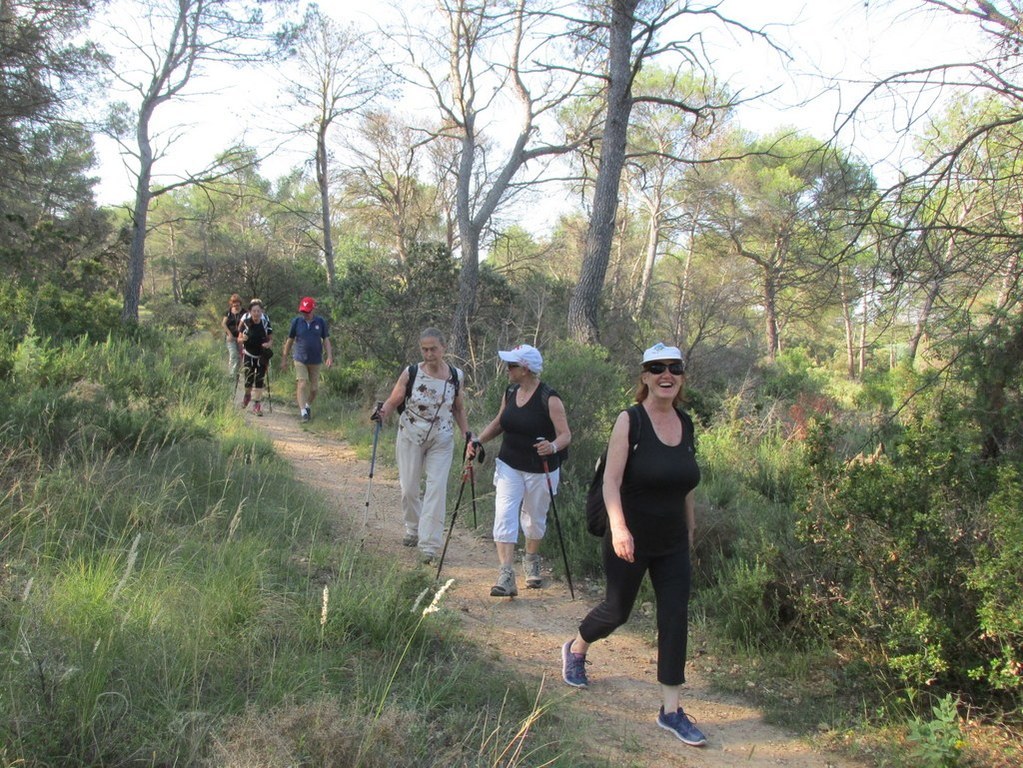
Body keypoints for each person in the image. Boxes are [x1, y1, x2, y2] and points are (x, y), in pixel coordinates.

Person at [560, 343, 706, 748]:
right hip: (629, 536)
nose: (667, 375)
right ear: (644, 377)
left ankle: (671, 711)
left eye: (674, 368)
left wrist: (690, 529)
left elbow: (686, 484)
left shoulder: (687, 423)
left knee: (674, 617)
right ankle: (577, 647)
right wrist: (619, 527)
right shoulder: (631, 421)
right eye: (657, 368)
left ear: (681, 377)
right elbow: (610, 480)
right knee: (617, 610)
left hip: (673, 540)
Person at [468, 344, 571, 597]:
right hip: (509, 464)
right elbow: (500, 422)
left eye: (511, 365)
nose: (507, 369)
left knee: (534, 517)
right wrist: (479, 441)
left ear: (525, 369)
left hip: (540, 469)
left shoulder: (550, 398)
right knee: (504, 513)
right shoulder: (511, 391)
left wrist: (553, 446)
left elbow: (565, 435)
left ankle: (531, 558)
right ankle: (506, 574)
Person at [372, 329, 471, 563]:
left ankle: (429, 545)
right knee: (409, 488)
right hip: (411, 433)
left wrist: (468, 435)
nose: (429, 354)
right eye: (424, 349)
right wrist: (383, 412)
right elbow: (396, 397)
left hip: (442, 437)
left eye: (433, 349)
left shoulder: (456, 376)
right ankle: (413, 528)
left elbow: (458, 408)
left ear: (443, 348)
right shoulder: (412, 372)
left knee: (437, 488)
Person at [281, 296, 333, 423]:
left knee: (314, 389)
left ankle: (307, 405)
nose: (305, 314)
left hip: (315, 360)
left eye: (307, 311)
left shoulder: (320, 322)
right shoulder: (296, 322)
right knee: (302, 383)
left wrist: (329, 356)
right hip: (300, 358)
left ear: (313, 310)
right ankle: (303, 412)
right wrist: (284, 358)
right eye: (303, 311)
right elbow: (289, 341)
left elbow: (326, 340)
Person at [238, 300, 274, 416]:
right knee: (248, 380)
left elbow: (270, 339)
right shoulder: (245, 323)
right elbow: (238, 338)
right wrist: (242, 339)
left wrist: (268, 345)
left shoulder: (265, 323)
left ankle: (257, 404)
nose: (256, 313)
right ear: (250, 312)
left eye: (258, 311)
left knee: (259, 379)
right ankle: (247, 395)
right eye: (254, 311)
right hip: (248, 354)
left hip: (261, 356)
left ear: (261, 311)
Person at [221, 293, 243, 381]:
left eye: (237, 303)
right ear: (231, 303)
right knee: (233, 354)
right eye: (234, 303)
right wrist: (229, 334)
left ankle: (237, 373)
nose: (235, 305)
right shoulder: (229, 312)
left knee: (239, 356)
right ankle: (231, 375)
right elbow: (223, 324)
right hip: (230, 338)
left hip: (240, 338)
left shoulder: (244, 312)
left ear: (240, 303)